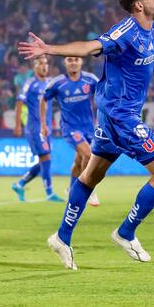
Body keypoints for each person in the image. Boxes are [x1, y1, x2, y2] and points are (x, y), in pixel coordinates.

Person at [18, 0, 154, 270]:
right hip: (123, 118)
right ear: (138, 5)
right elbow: (90, 46)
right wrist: (49, 49)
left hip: (111, 117)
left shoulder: (151, 26)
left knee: (90, 177)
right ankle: (125, 233)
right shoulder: (124, 33)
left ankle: (62, 238)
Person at [40, 56, 101, 207]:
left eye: (76, 59)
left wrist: (102, 119)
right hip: (70, 128)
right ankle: (88, 188)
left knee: (78, 162)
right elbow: (43, 99)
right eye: (69, 60)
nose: (73, 62)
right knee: (88, 154)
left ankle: (71, 189)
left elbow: (102, 96)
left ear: (81, 62)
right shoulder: (58, 83)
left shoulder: (91, 80)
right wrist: (43, 124)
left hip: (89, 127)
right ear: (65, 63)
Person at [10, 55, 65, 202]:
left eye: (46, 63)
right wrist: (17, 125)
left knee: (45, 161)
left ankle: (20, 184)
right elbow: (19, 103)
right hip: (34, 128)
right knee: (46, 158)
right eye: (41, 63)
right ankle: (49, 193)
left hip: (47, 128)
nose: (44, 66)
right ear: (35, 66)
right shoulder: (30, 83)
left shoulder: (49, 83)